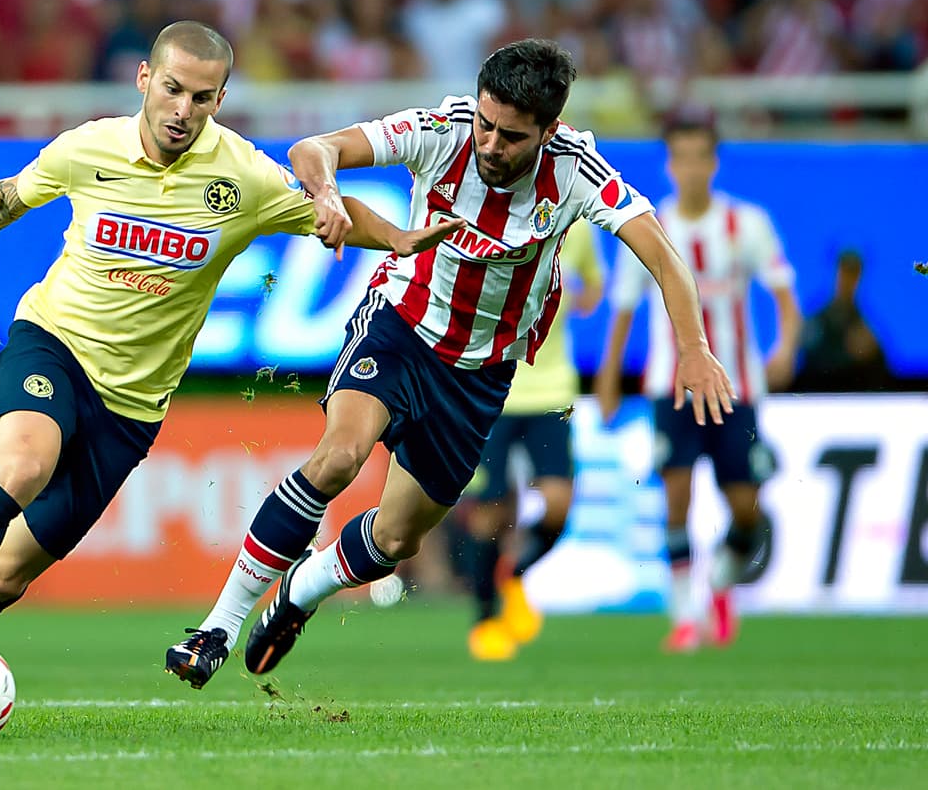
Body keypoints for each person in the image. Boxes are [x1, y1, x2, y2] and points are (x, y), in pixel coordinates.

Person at [0, 21, 459, 724]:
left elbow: (326, 211)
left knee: (5, 578)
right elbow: (2, 199)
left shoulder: (243, 177)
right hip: (53, 343)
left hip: (130, 410)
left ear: (220, 98)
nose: (182, 110)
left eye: (201, 97)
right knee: (24, 465)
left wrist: (397, 236)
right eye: (171, 90)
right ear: (143, 79)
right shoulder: (88, 146)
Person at [165, 38, 734, 689]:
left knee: (396, 539)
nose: (490, 144)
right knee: (340, 456)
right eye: (487, 125)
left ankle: (301, 591)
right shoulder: (441, 130)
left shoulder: (576, 170)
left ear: (549, 131)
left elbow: (662, 254)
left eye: (512, 136)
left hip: (480, 375)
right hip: (400, 326)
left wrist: (694, 347)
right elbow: (312, 149)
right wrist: (324, 193)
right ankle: (217, 625)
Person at [594, 115, 801, 653]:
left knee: (746, 510)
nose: (690, 168)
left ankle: (718, 587)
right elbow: (622, 309)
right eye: (680, 157)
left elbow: (783, 294)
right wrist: (611, 379)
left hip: (737, 388)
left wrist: (785, 347)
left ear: (713, 163)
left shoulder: (746, 224)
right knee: (678, 497)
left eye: (699, 157)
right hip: (673, 387)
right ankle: (686, 615)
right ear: (670, 163)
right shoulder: (648, 225)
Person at [461, 219, 604, 662]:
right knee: (491, 513)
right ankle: (485, 621)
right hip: (495, 391)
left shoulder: (577, 225)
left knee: (558, 504)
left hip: (552, 390)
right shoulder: (492, 215)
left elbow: (594, 285)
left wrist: (574, 304)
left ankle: (514, 573)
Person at [794, 249, 892, 392]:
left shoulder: (866, 327)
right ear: (837, 272)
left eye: (854, 274)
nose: (848, 280)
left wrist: (872, 352)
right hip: (818, 400)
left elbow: (884, 374)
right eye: (845, 272)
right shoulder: (816, 320)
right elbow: (804, 366)